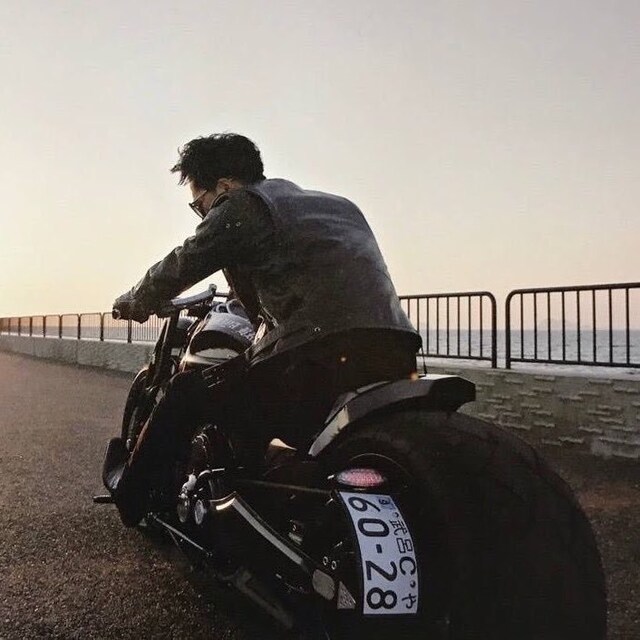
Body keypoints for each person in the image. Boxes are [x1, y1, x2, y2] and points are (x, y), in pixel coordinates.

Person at [103, 133, 421, 526]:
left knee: (184, 392)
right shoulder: (338, 207)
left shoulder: (245, 205)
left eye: (199, 205)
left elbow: (184, 262)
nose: (203, 215)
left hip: (314, 355)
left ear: (224, 185)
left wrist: (134, 300)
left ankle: (131, 498)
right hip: (395, 347)